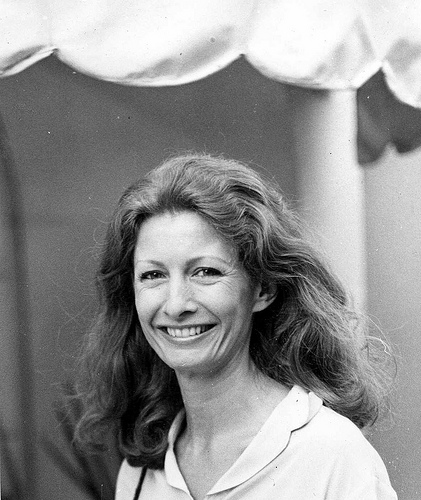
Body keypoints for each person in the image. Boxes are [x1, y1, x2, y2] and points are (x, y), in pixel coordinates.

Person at [73, 153, 397, 499]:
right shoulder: (139, 476)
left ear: (263, 289)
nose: (176, 305)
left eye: (205, 272)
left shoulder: (334, 455)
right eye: (153, 275)